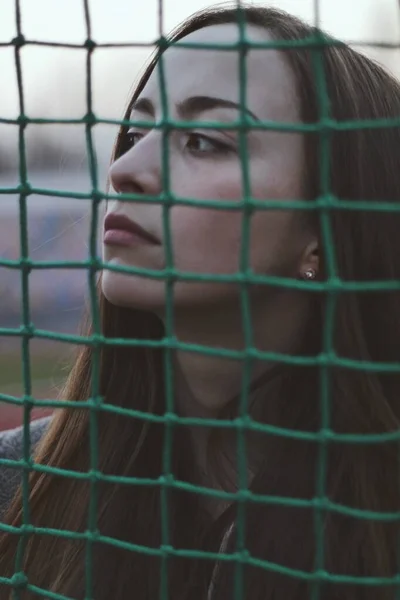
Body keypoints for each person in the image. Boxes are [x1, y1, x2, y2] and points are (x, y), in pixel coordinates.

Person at [1, 4, 400, 599]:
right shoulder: (18, 485)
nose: (126, 168)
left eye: (202, 141)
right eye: (137, 133)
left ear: (323, 230)